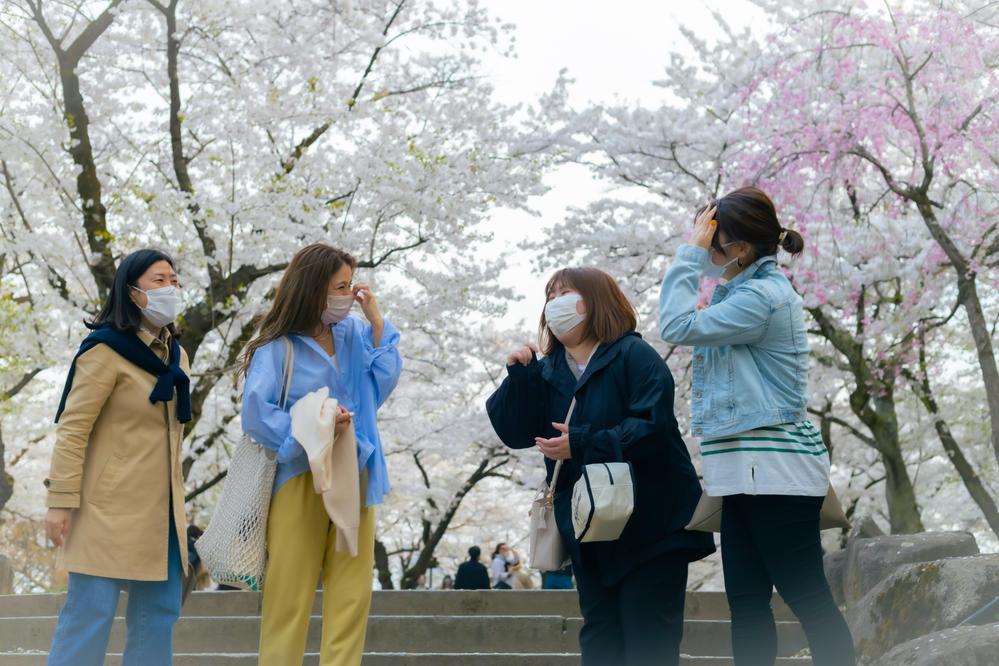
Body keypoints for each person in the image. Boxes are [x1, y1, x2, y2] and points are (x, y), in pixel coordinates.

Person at [659, 187, 856, 666]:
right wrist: (702, 250)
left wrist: (688, 255)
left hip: (776, 473)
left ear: (741, 248)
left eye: (713, 240)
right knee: (746, 604)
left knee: (806, 596)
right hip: (743, 474)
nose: (705, 250)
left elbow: (674, 326)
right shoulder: (743, 294)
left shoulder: (763, 297)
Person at [486, 267, 715, 666]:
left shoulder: (634, 356)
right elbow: (515, 432)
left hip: (652, 526)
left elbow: (652, 427)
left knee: (650, 643)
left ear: (597, 302)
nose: (555, 303)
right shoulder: (548, 371)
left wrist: (584, 442)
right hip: (592, 531)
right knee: (600, 640)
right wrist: (518, 376)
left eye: (566, 292)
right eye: (550, 295)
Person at [240, 243, 402, 666]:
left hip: (358, 471)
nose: (348, 295)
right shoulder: (276, 347)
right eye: (340, 287)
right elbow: (257, 415)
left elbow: (380, 385)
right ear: (313, 289)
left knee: (352, 597)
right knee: (288, 597)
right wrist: (315, 430)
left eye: (351, 285)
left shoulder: (353, 335)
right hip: (299, 475)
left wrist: (377, 321)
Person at [44, 249, 190, 666]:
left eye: (174, 280)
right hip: (104, 509)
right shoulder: (105, 351)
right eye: (159, 280)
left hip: (161, 513)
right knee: (89, 618)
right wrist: (60, 501)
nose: (171, 288)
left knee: (157, 621)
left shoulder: (176, 357)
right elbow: (73, 429)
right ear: (132, 293)